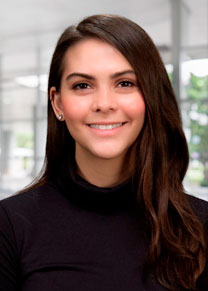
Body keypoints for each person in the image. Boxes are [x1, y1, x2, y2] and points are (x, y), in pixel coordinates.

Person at [0, 14, 207, 291]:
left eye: (125, 83)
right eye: (82, 86)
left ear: (150, 97)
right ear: (57, 103)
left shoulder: (200, 226)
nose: (104, 104)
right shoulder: (10, 226)